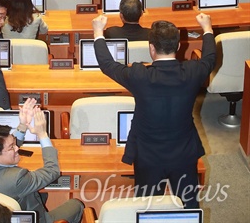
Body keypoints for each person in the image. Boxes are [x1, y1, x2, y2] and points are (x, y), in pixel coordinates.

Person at [92, 12, 216, 208]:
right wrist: (207, 28)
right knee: (190, 206)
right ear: (178, 46)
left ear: (151, 49)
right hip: (183, 152)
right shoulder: (193, 72)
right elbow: (209, 58)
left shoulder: (139, 75)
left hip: (147, 155)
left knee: (148, 206)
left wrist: (98, 32)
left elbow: (108, 65)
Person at [0, 106, 84, 223]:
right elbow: (52, 171)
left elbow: (3, 148)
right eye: (11, 147)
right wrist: (42, 134)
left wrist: (22, 125)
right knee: (77, 205)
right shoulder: (16, 178)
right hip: (29, 219)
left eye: (14, 143)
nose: (17, 148)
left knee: (42, 195)